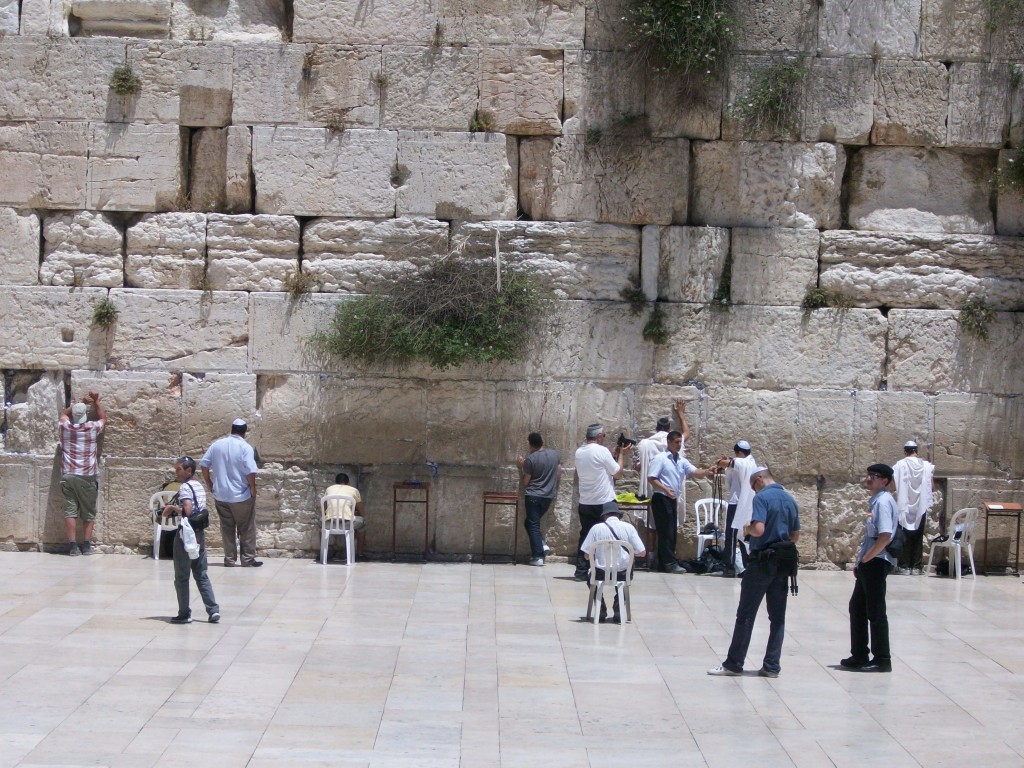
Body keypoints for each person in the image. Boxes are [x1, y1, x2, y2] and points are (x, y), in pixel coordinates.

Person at [708, 466, 800, 678]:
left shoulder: (763, 499)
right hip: (783, 564)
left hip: (762, 563)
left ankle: (734, 664)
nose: (754, 491)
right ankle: (771, 666)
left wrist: (747, 528)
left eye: (753, 487)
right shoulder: (790, 500)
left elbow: (759, 529)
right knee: (777, 618)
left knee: (746, 615)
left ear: (759, 480)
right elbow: (795, 535)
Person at [841, 463, 898, 673]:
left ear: (884, 481)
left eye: (873, 476)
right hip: (869, 561)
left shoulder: (883, 502)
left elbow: (884, 536)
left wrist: (867, 559)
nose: (868, 479)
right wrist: (861, 561)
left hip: (876, 561)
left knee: (875, 611)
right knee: (857, 607)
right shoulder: (876, 501)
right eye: (868, 475)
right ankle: (859, 654)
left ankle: (882, 659)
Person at [162, 457, 220, 624]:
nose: (177, 472)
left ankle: (184, 613)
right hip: (198, 533)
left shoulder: (186, 487)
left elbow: (187, 510)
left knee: (181, 575)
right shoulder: (199, 486)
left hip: (185, 534)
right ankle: (213, 610)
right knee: (201, 573)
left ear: (189, 470)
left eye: (179, 469)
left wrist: (172, 508)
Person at [647, 430, 713, 573]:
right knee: (666, 531)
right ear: (669, 442)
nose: (678, 445)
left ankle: (664, 563)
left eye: (680, 442)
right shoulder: (661, 458)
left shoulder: (681, 461)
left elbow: (695, 472)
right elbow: (652, 478)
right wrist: (665, 489)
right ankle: (669, 563)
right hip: (661, 498)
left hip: (671, 499)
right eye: (676, 442)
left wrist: (708, 471)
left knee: (671, 531)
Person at [200, 418, 261, 567]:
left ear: (232, 429)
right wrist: (253, 487)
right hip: (241, 495)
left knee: (226, 528)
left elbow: (203, 464)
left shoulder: (216, 445)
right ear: (244, 432)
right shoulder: (245, 447)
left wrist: (208, 482)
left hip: (221, 495)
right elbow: (250, 470)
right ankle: (247, 559)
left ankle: (229, 559)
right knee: (246, 527)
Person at [573, 423, 631, 580]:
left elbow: (596, 465)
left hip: (585, 502)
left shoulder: (579, 452)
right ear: (599, 437)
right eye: (604, 436)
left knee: (586, 536)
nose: (604, 439)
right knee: (612, 535)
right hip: (604, 502)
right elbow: (617, 474)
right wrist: (621, 455)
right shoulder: (602, 451)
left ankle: (581, 572)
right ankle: (613, 570)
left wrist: (610, 454)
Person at [58, 390, 106, 556]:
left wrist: (78, 405)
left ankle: (72, 546)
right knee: (88, 510)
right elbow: (102, 419)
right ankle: (86, 545)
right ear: (85, 416)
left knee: (70, 510)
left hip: (68, 475)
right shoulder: (91, 428)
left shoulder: (65, 428)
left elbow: (63, 414)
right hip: (87, 476)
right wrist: (95, 402)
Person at [580, 506, 647, 622]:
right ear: (618, 515)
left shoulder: (596, 528)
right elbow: (642, 552)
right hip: (622, 573)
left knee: (589, 576)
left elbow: (586, 555)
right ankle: (618, 605)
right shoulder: (629, 528)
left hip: (600, 573)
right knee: (626, 574)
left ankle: (600, 607)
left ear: (604, 516)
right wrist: (630, 554)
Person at [714, 440, 758, 577]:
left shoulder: (743, 462)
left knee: (732, 535)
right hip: (746, 503)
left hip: (737, 502)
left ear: (739, 453)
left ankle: (729, 566)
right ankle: (748, 566)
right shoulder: (751, 463)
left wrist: (721, 461)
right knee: (744, 535)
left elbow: (724, 463)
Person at [517, 432, 561, 566]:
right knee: (530, 523)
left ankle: (537, 556)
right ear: (542, 441)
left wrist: (521, 467)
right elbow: (558, 474)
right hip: (548, 496)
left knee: (533, 525)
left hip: (533, 496)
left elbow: (525, 481)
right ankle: (542, 545)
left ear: (530, 444)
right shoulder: (555, 455)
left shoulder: (531, 459)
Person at [893, 440, 934, 575]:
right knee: (917, 537)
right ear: (917, 451)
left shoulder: (899, 465)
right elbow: (931, 486)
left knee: (904, 535)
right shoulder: (927, 466)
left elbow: (894, 485)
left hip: (904, 506)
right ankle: (916, 567)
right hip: (920, 507)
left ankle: (903, 566)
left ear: (905, 451)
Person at [636, 398, 690, 499]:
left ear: (656, 428)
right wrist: (681, 415)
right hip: (671, 489)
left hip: (653, 489)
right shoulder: (675, 442)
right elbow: (686, 433)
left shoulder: (646, 444)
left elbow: (638, 467)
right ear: (669, 428)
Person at [323, 472, 366, 558]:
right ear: (348, 483)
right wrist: (358, 514)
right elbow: (361, 510)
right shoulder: (353, 490)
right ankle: (360, 554)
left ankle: (323, 553)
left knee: (321, 524)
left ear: (335, 482)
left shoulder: (329, 489)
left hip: (329, 523)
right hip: (347, 523)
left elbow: (324, 508)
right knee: (363, 524)